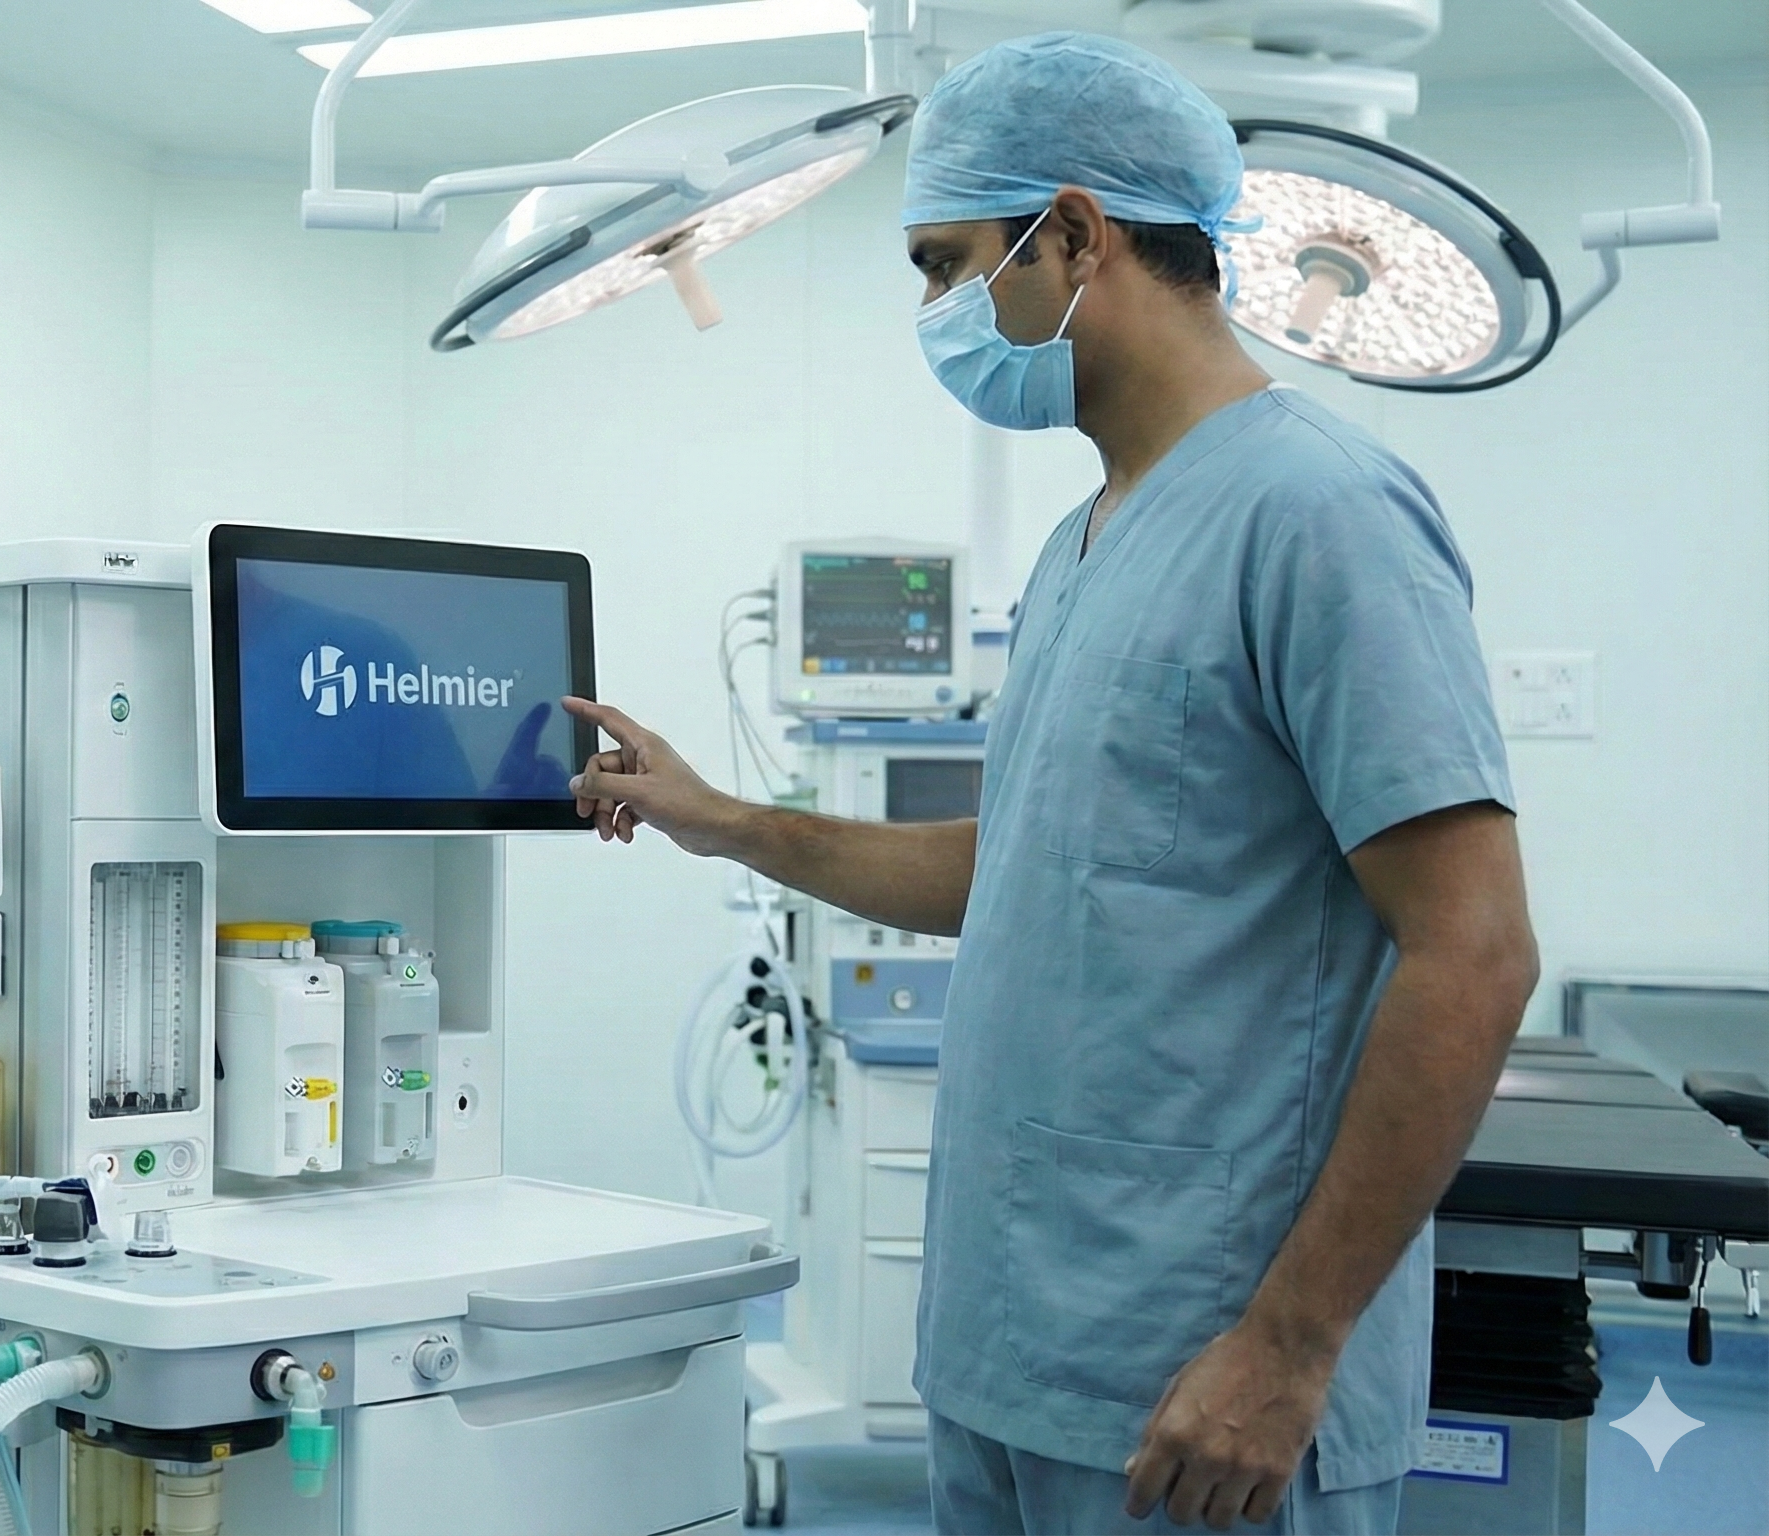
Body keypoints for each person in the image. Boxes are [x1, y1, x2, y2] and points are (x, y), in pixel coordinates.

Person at [565, 32, 1539, 1536]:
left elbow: (1472, 950)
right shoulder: (1089, 542)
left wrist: (1287, 1349)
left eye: (946, 264)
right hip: (1020, 1352)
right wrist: (724, 821)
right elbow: (1016, 865)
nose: (938, 312)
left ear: (1075, 233)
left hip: (1197, 1388)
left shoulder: (1320, 513)